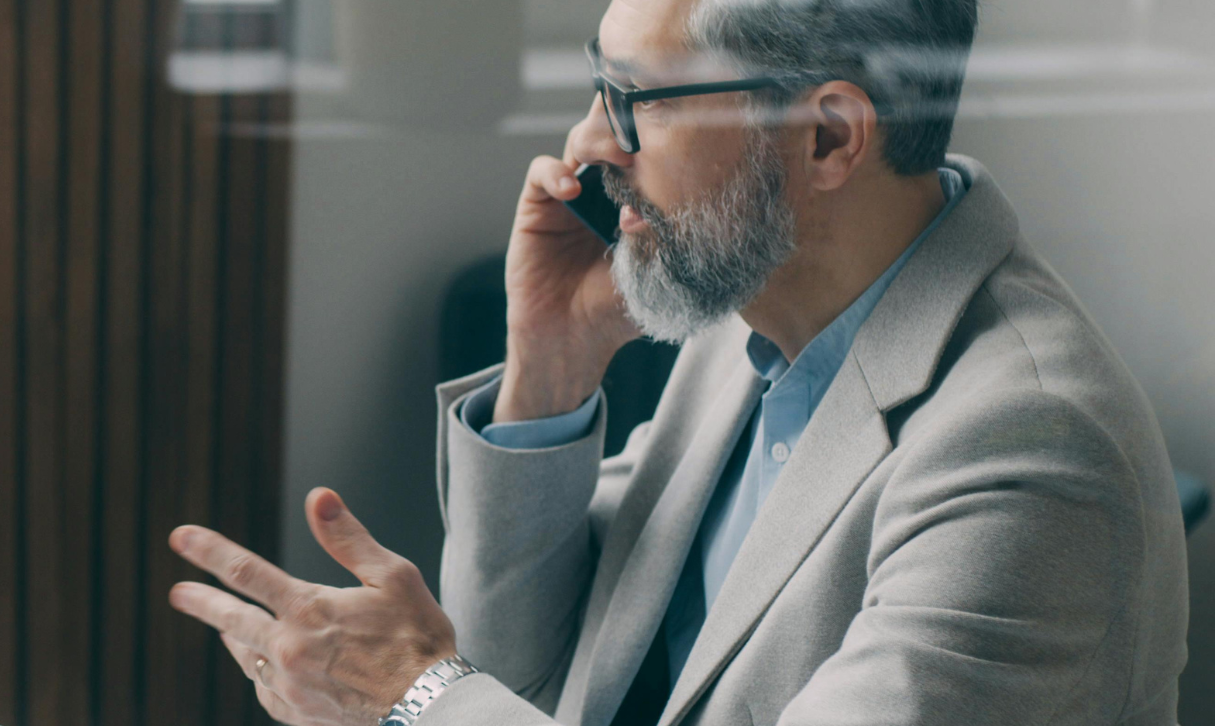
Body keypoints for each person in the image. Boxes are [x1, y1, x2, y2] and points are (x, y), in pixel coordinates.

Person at [166, 0, 1191, 722]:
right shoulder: (747, 320)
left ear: (827, 138)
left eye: (637, 100)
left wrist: (413, 693)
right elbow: (519, 679)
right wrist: (549, 371)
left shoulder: (1033, 455)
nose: (582, 144)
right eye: (595, 85)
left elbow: (456, 691)